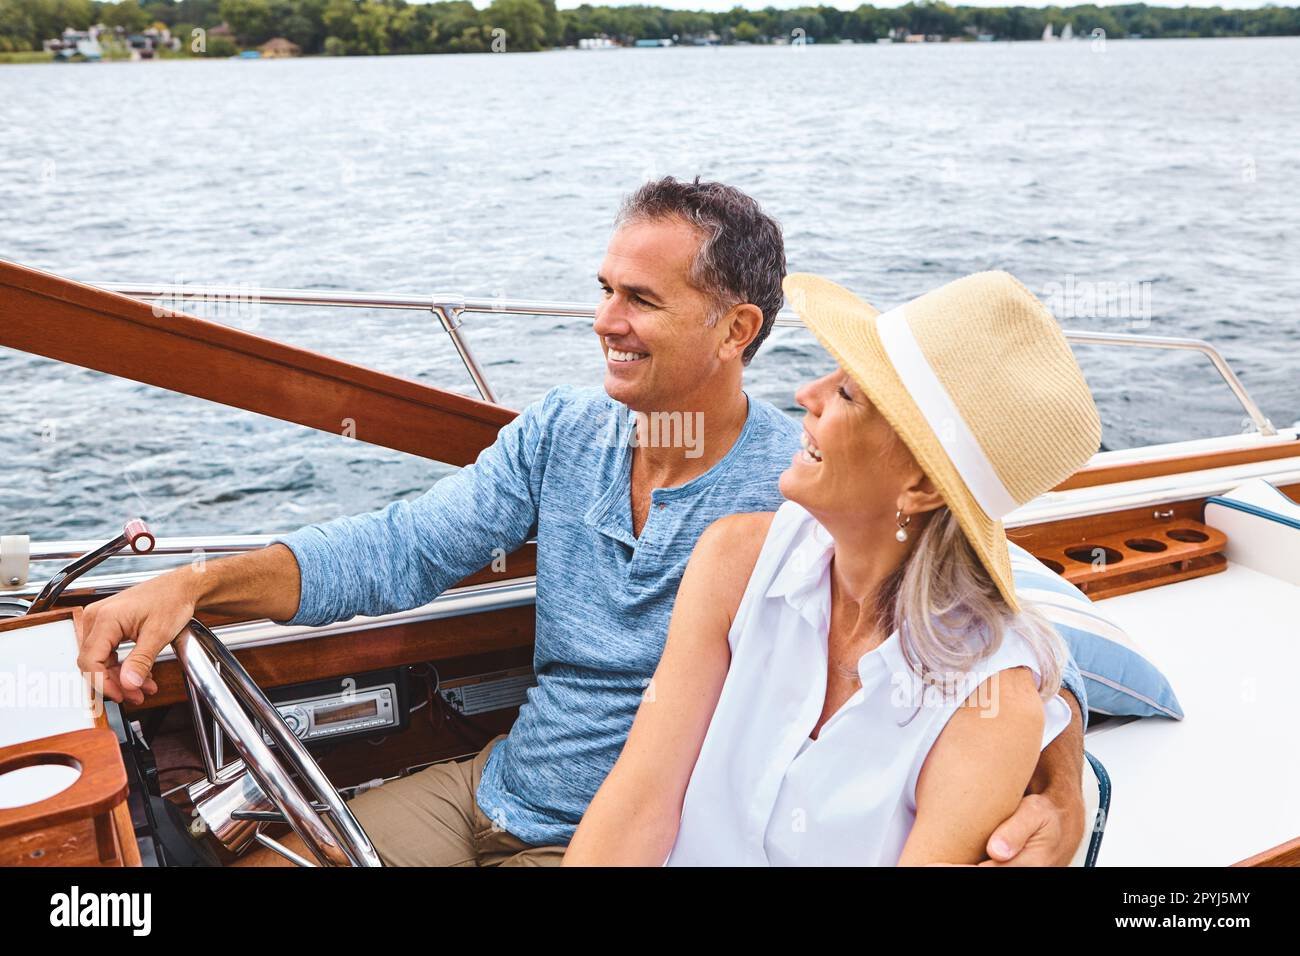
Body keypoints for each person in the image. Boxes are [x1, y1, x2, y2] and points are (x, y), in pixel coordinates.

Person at [76, 179, 1090, 867]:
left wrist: (1057, 761)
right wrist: (196, 584)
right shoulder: (567, 431)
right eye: (604, 289)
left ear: (735, 329)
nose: (604, 321)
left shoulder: (795, 497)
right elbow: (403, 547)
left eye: (640, 299)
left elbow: (1005, 618)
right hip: (498, 780)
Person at [565, 270, 1101, 866]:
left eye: (848, 393)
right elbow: (640, 802)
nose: (808, 394)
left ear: (921, 483)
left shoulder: (989, 704)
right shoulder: (735, 561)